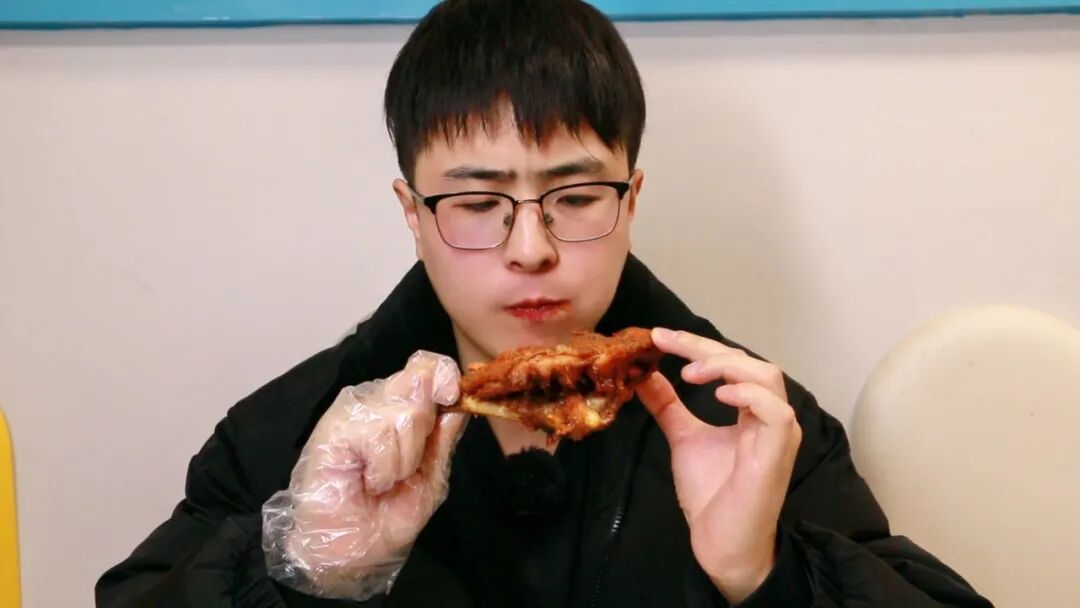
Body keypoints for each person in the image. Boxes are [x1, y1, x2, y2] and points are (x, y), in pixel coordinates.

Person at [97, 1, 992, 606]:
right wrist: (303, 572)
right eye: (476, 202)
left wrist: (765, 577)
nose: (532, 248)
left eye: (577, 196)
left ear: (631, 200)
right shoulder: (289, 437)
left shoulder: (753, 426)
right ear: (412, 214)